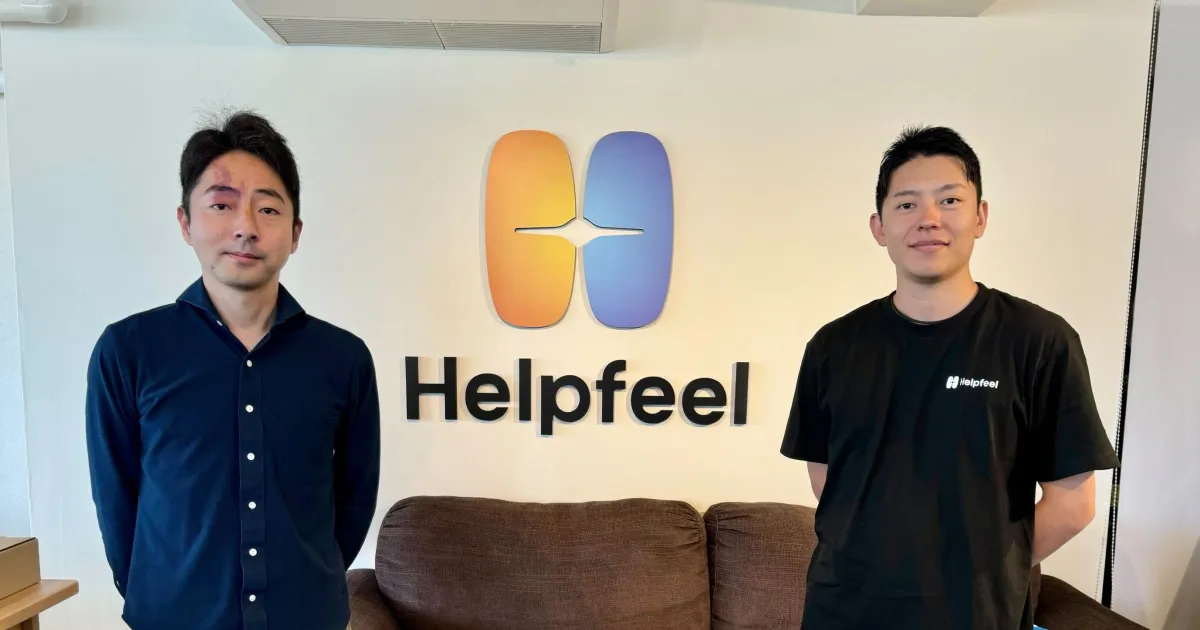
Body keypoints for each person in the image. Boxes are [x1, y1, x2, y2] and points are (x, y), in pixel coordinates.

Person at [780, 125, 1120, 630]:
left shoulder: (1039, 341)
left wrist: (981, 572)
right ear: (879, 227)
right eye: (907, 204)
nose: (929, 219)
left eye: (949, 200)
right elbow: (828, 477)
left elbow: (1073, 504)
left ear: (980, 216)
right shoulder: (833, 346)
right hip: (843, 610)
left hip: (975, 615)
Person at [85, 110, 380, 630]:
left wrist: (309, 577)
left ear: (295, 233)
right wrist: (161, 593)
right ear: (186, 223)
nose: (245, 227)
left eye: (268, 209)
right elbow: (117, 498)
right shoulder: (128, 351)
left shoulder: (343, 358)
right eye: (222, 205)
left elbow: (354, 500)